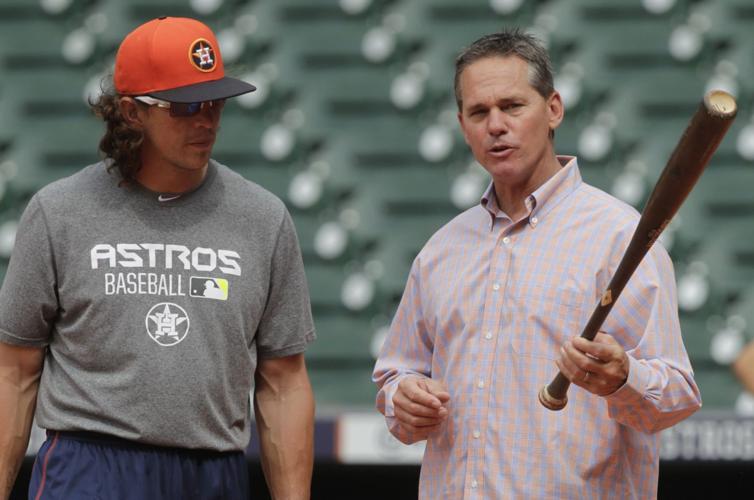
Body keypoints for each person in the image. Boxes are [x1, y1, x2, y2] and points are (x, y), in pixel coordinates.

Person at [373, 29, 702, 499]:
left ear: (553, 109)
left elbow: (675, 399)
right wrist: (401, 399)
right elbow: (394, 376)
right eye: (478, 112)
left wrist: (624, 378)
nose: (496, 125)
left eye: (512, 106)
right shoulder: (441, 250)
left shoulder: (618, 237)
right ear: (461, 125)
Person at [0, 17, 316, 499]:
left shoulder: (264, 218)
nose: (206, 119)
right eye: (186, 105)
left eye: (216, 102)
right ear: (131, 112)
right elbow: (14, 372)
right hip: (92, 466)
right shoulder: (58, 211)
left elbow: (283, 382)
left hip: (214, 471)